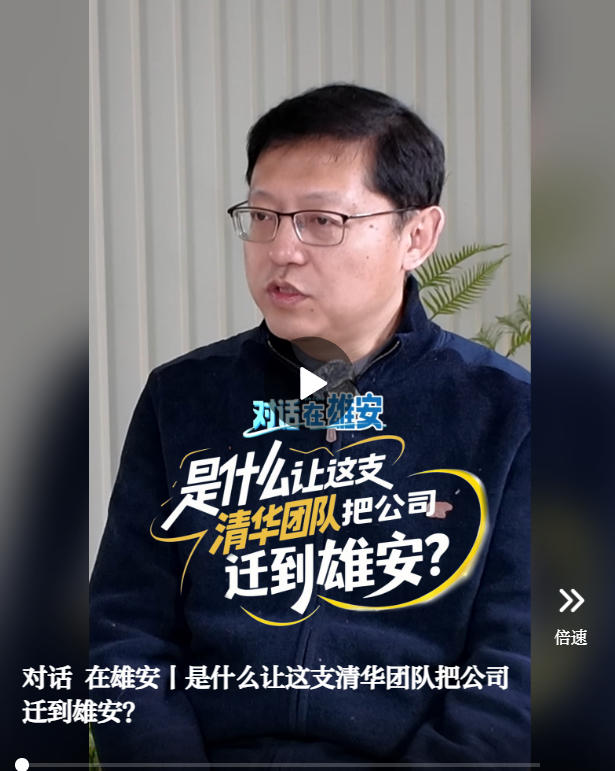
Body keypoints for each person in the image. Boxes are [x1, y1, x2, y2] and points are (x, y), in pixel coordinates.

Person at [90, 83, 530, 765]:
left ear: (417, 235)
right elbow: (123, 632)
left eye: (321, 221)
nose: (281, 250)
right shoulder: (182, 397)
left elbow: (521, 663)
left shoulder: (509, 411)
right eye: (263, 216)